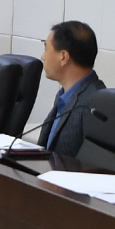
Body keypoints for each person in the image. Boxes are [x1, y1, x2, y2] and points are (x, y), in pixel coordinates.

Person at [37, 20, 104, 155]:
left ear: (63, 57)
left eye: (46, 50)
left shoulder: (93, 103)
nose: (43, 57)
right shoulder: (65, 95)